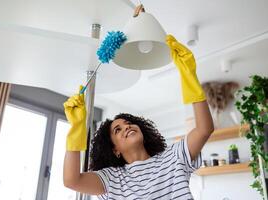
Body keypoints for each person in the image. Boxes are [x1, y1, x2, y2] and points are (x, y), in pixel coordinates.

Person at [63, 35, 214, 199]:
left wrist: (190, 77)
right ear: (115, 149)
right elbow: (72, 180)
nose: (127, 127)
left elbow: (204, 129)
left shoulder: (173, 157)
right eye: (117, 130)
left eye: (128, 123)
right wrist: (77, 128)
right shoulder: (112, 179)